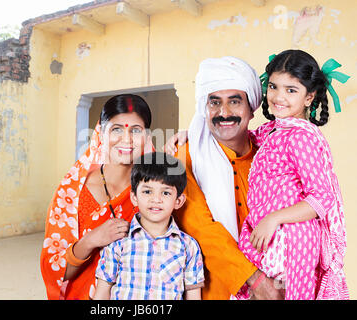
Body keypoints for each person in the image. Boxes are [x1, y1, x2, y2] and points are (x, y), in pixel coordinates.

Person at [165, 56, 284, 299]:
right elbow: (198, 225)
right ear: (204, 109)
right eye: (215, 102)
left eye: (234, 101)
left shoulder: (272, 155)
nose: (224, 112)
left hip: (279, 283)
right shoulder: (185, 155)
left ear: (251, 108)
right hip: (213, 290)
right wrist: (254, 280)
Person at [237, 50, 349, 300]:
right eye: (274, 86)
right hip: (274, 236)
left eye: (291, 90)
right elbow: (240, 141)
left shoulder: (301, 137)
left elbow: (321, 198)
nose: (278, 97)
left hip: (294, 241)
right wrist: (191, 135)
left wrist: (273, 219)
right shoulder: (275, 131)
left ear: (309, 97)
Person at [40, 94, 153, 300]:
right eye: (116, 129)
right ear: (101, 133)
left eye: (135, 130)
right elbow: (55, 272)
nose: (126, 140)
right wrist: (90, 241)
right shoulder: (72, 193)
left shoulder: (153, 191)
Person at [93, 152, 205, 300]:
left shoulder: (188, 246)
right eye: (147, 191)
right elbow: (101, 294)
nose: (156, 199)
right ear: (134, 197)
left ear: (178, 201)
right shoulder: (118, 242)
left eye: (165, 193)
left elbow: (193, 296)